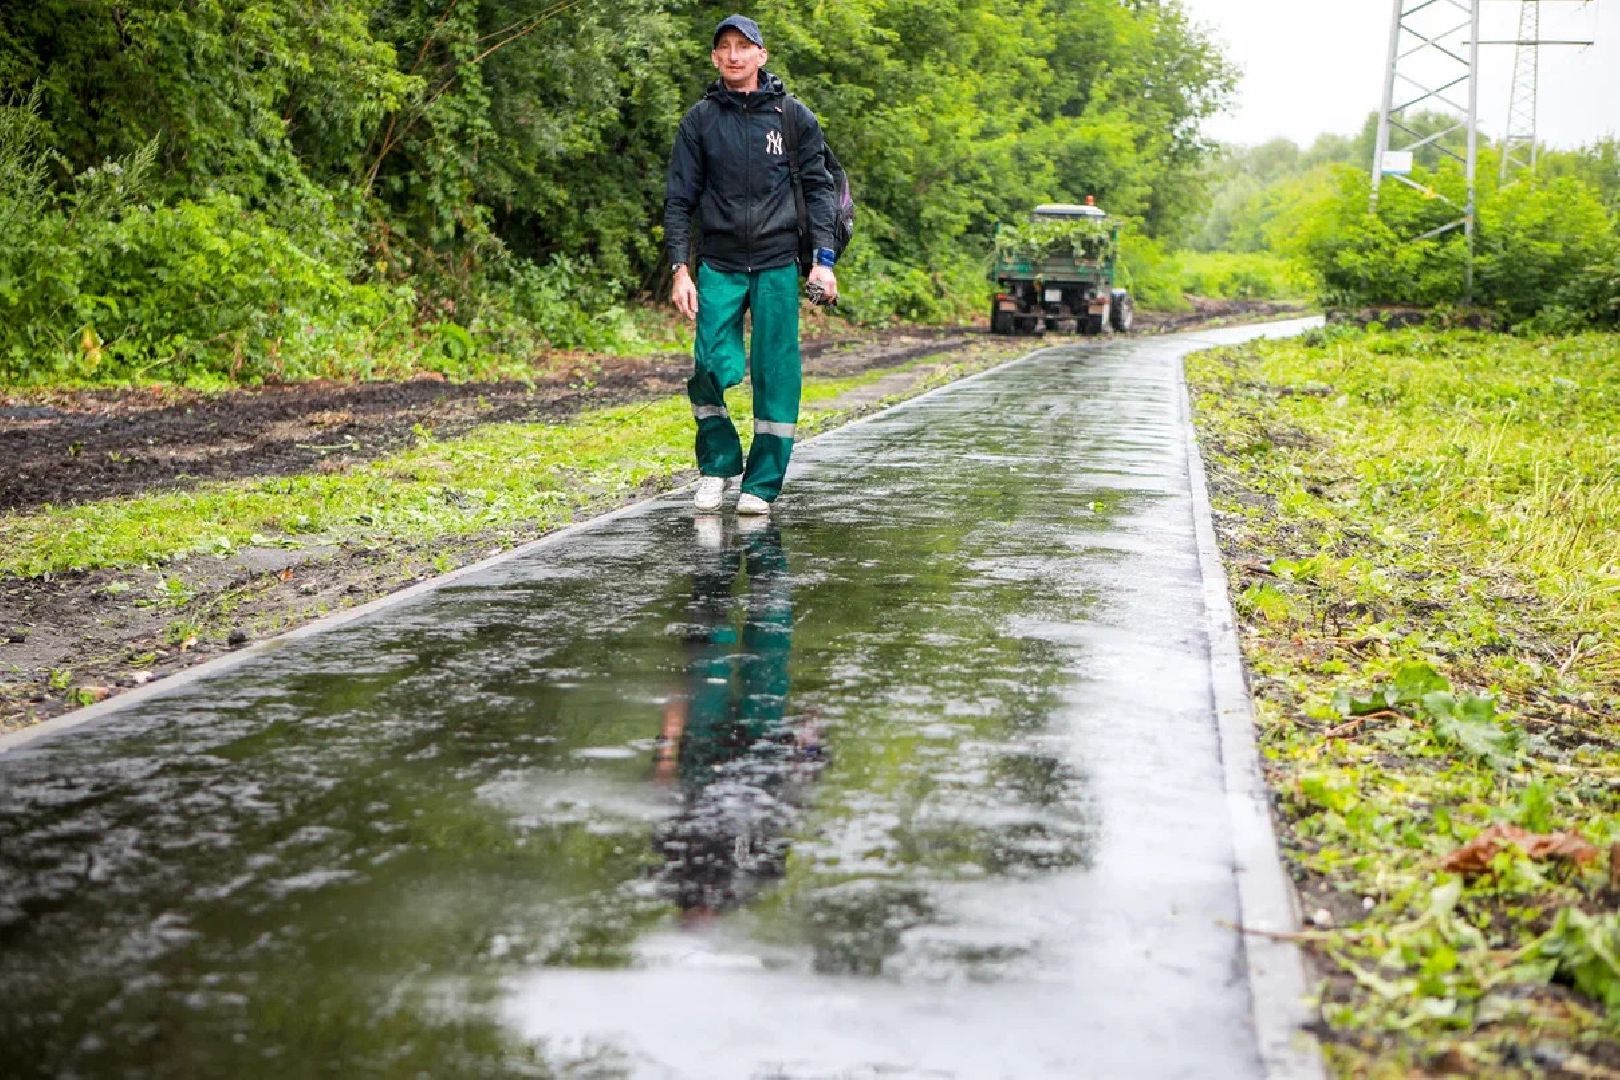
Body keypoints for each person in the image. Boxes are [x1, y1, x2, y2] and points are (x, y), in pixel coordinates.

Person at [663, 14, 840, 516]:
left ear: (762, 55)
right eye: (724, 47)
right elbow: (679, 200)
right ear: (715, 57)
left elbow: (820, 189)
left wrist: (823, 262)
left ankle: (761, 485)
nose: (734, 55)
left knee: (776, 372)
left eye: (744, 46)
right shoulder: (700, 120)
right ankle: (717, 466)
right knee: (709, 367)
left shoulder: (793, 117)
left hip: (778, 263)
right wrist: (681, 268)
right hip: (718, 263)